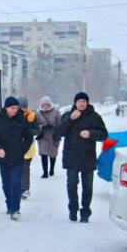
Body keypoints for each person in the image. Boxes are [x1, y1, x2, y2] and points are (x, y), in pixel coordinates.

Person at [57, 92, 108, 223]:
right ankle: (73, 209)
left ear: (87, 102)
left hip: (88, 156)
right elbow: (58, 132)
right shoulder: (68, 115)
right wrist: (70, 119)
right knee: (72, 185)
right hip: (71, 156)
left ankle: (85, 212)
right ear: (75, 103)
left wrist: (91, 133)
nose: (81, 103)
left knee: (88, 186)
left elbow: (104, 135)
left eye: (84, 101)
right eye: (79, 101)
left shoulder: (95, 117)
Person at [0, 97, 33, 221]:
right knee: (6, 183)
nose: (14, 110)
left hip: (17, 157)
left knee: (16, 182)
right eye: (12, 108)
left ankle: (15, 208)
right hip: (3, 157)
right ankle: (9, 204)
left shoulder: (22, 120)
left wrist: (22, 149)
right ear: (6, 108)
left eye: (16, 108)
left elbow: (29, 137)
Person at [18, 97, 39, 200]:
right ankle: (19, 187)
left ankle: (25, 189)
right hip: (16, 146)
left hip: (29, 145)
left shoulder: (32, 116)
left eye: (25, 107)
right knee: (18, 168)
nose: (24, 109)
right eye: (22, 107)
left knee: (25, 167)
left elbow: (38, 130)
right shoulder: (14, 116)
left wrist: (28, 132)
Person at [35, 96, 61, 178]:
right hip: (43, 136)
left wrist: (54, 126)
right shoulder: (38, 113)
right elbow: (35, 124)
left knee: (53, 154)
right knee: (43, 154)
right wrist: (41, 127)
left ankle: (52, 169)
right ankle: (45, 172)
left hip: (53, 136)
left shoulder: (56, 112)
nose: (45, 107)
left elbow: (60, 123)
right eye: (43, 105)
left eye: (47, 105)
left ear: (50, 104)